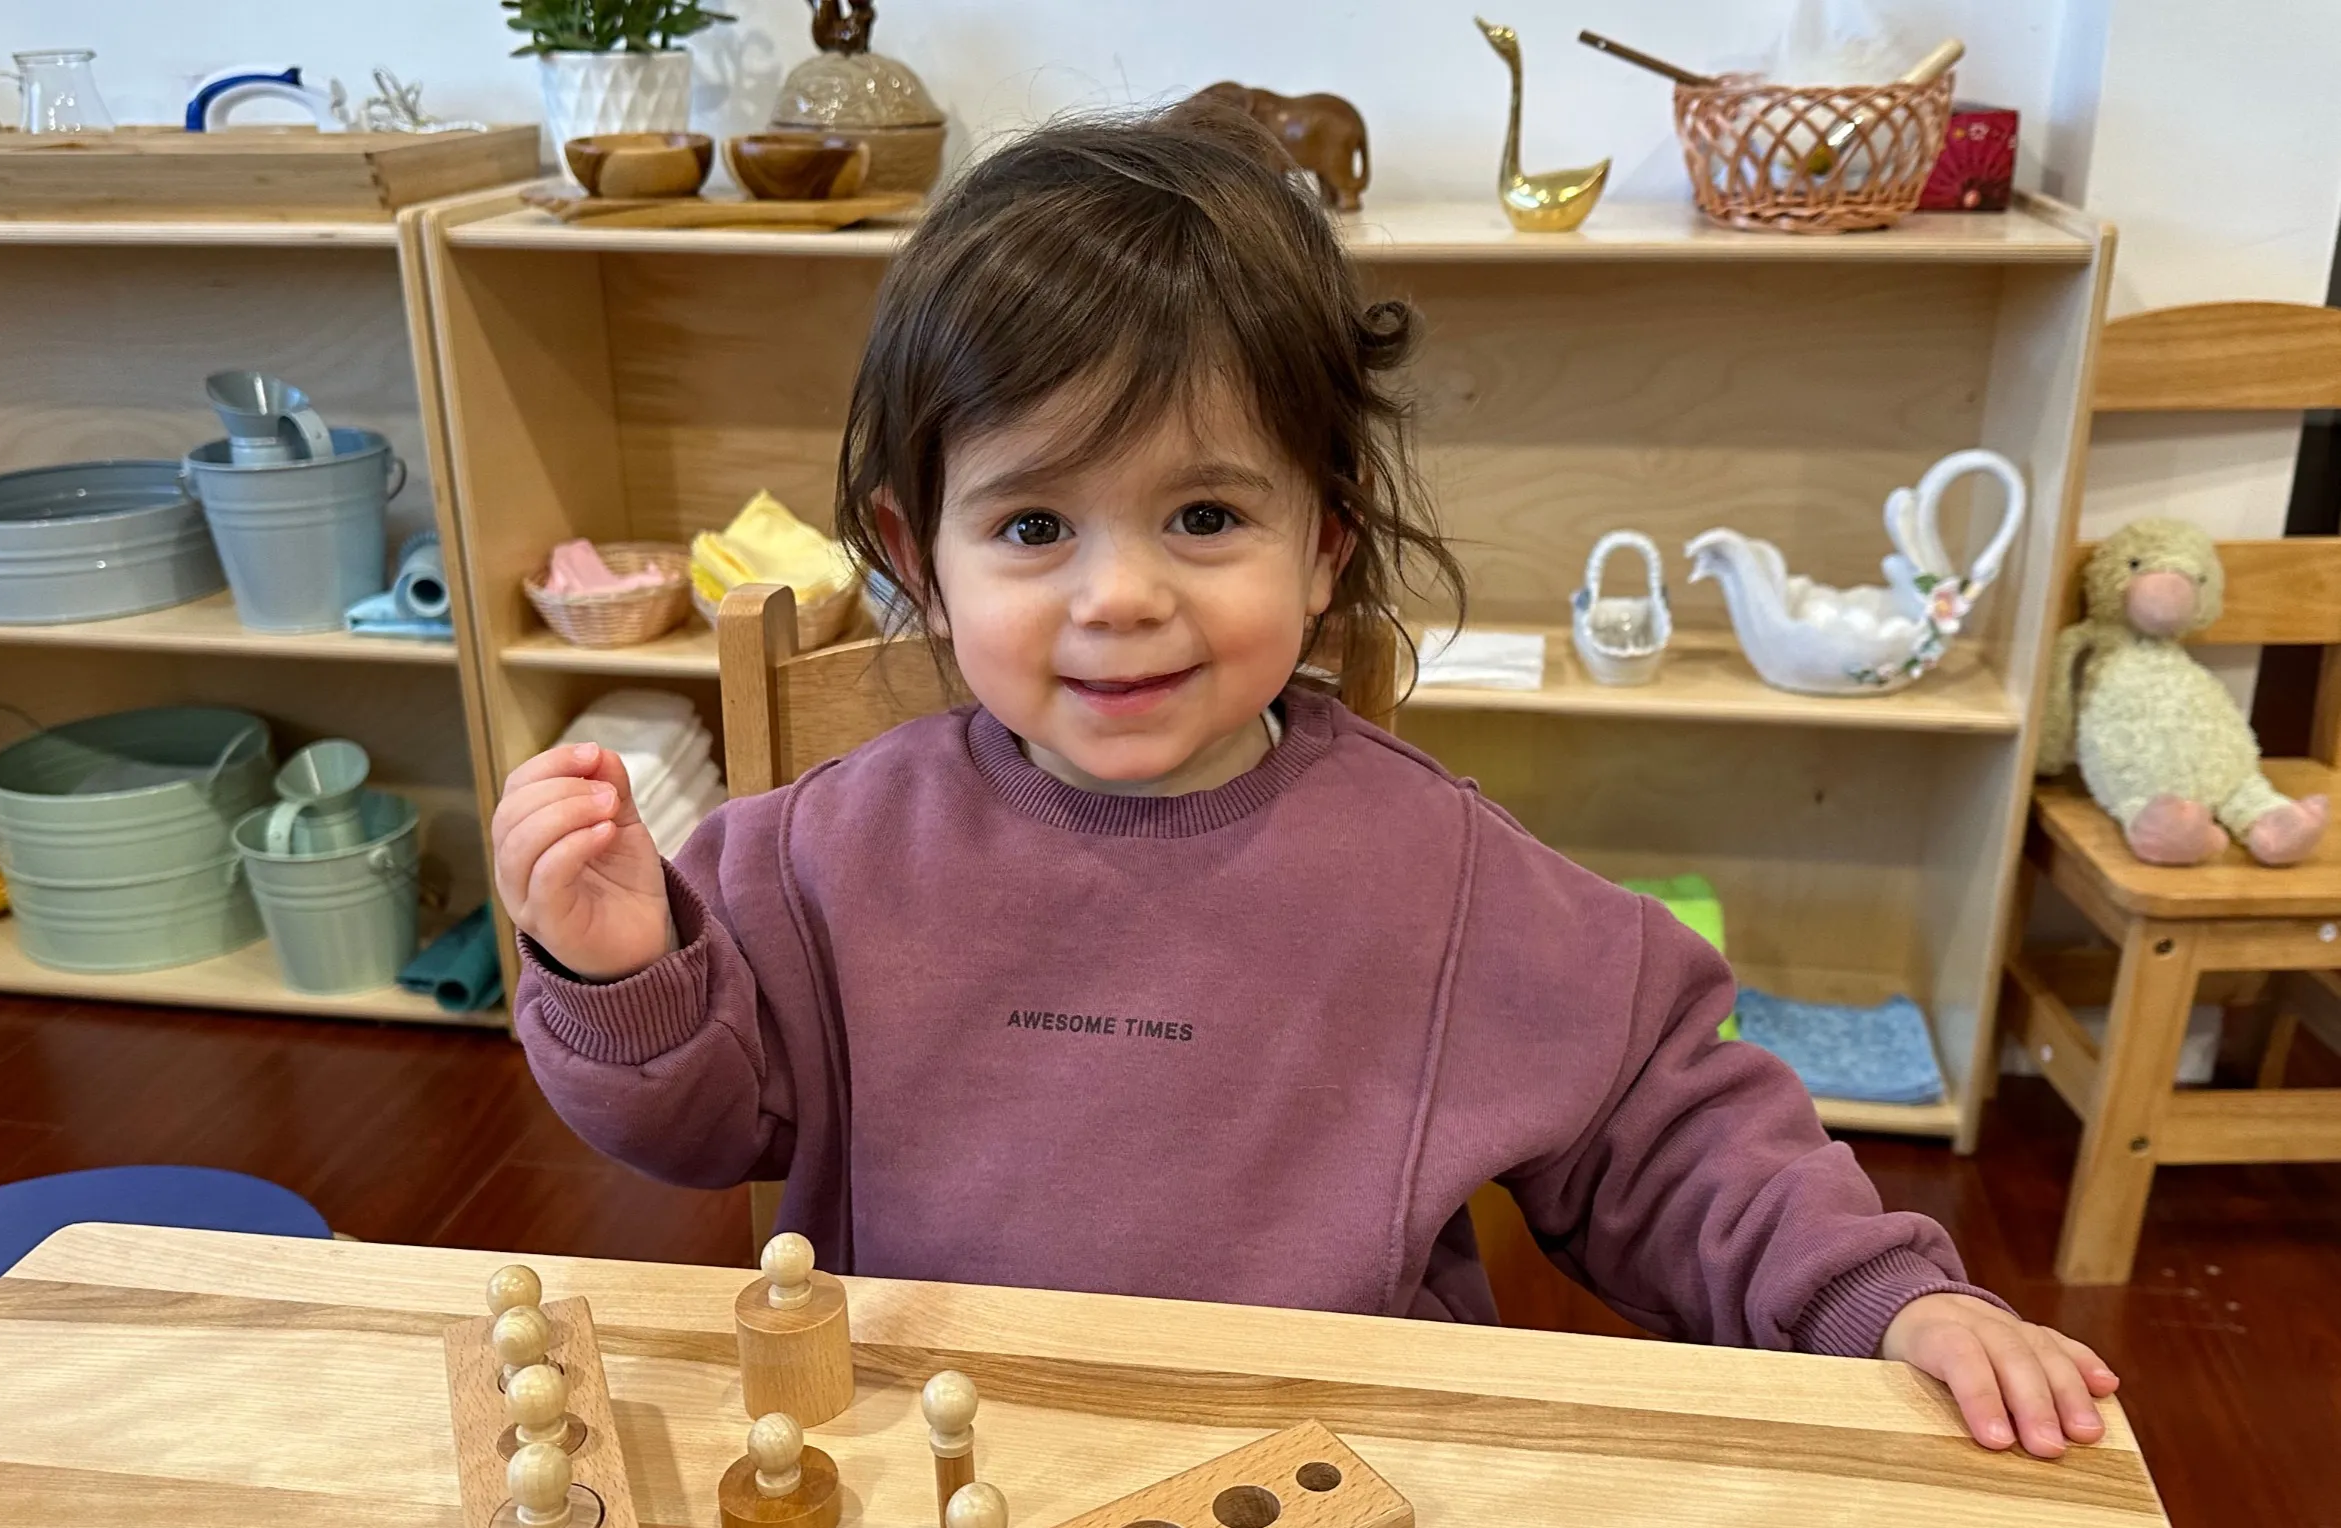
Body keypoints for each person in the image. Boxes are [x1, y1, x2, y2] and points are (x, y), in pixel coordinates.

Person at [495, 106, 2117, 1458]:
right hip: (946, 1482)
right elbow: (699, 1124)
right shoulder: (822, 851)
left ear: (1325, 543)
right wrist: (618, 966)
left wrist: (1885, 1296)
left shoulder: (1439, 870)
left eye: (1205, 518)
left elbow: (1665, 1127)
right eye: (1034, 526)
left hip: (1345, 1502)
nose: (1121, 596)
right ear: (918, 557)